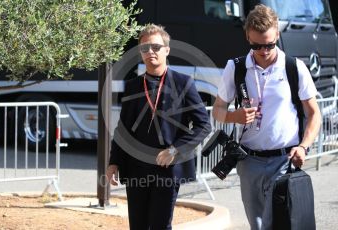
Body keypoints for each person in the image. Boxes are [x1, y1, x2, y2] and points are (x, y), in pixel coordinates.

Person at [212, 4, 321, 230]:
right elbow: (217, 110)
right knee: (259, 226)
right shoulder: (235, 67)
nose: (263, 51)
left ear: (277, 34)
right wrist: (235, 116)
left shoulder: (294, 67)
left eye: (269, 44)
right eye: (256, 45)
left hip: (284, 161)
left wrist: (304, 147)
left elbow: (314, 114)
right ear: (247, 37)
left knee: (284, 223)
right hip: (249, 162)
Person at [106, 24, 211, 230]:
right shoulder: (133, 86)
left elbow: (203, 125)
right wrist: (113, 163)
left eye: (155, 47)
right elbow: (123, 129)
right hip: (136, 168)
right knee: (138, 225)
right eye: (144, 48)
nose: (150, 52)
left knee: (160, 225)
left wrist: (176, 150)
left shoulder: (184, 83)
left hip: (167, 170)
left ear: (167, 50)